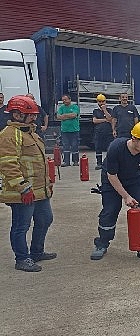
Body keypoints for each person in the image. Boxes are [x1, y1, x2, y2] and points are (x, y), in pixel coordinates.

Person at [91, 121, 140, 262]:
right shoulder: (116, 147)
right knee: (110, 210)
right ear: (134, 139)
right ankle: (102, 244)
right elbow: (112, 176)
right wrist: (126, 196)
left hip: (135, 179)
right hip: (112, 179)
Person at [0, 95, 56, 272]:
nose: (34, 118)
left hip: (39, 190)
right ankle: (22, 258)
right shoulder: (9, 135)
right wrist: (23, 187)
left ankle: (37, 251)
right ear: (16, 115)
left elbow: (38, 162)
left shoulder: (30, 132)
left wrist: (47, 183)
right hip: (23, 191)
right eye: (30, 114)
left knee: (45, 219)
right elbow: (8, 164)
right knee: (21, 226)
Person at [56, 94, 80, 166]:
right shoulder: (61, 108)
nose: (64, 101)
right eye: (63, 100)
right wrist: (69, 116)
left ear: (70, 99)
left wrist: (64, 116)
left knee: (74, 146)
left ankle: (75, 161)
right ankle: (66, 162)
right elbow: (58, 117)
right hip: (65, 131)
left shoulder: (75, 107)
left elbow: (74, 115)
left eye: (65, 100)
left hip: (74, 130)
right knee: (65, 146)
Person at [92, 93, 114, 170]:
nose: (101, 103)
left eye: (102, 101)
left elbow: (110, 119)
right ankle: (99, 163)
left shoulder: (110, 110)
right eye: (99, 102)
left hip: (108, 133)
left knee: (109, 148)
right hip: (99, 132)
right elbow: (94, 120)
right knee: (98, 148)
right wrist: (105, 120)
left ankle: (108, 163)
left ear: (105, 102)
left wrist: (104, 110)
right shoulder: (95, 111)